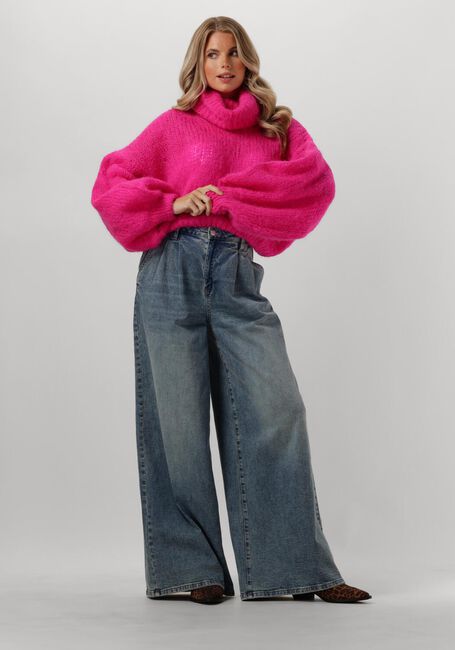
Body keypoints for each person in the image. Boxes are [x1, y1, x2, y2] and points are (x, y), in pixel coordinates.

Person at [90, 16, 372, 605]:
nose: (224, 64)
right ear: (199, 62)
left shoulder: (276, 128)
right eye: (214, 54)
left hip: (236, 273)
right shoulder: (174, 125)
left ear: (248, 61)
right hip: (171, 270)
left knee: (279, 410)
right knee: (177, 425)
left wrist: (231, 200)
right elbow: (111, 183)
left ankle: (295, 571)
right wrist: (172, 202)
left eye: (234, 53)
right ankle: (192, 571)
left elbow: (314, 183)